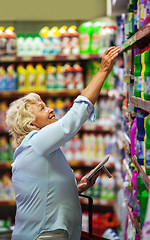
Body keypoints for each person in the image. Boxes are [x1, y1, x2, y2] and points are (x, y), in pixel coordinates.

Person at [6, 46, 120, 240]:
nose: (51, 110)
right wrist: (103, 71)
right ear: (30, 123)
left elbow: (43, 193)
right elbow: (72, 120)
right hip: (43, 235)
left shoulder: (35, 149)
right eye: (42, 108)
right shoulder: (36, 142)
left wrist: (76, 188)